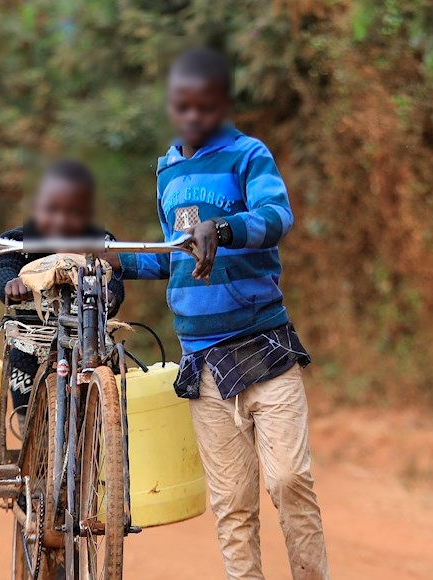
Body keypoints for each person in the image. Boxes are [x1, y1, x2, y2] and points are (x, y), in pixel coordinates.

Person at [114, 48, 330, 579]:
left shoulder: (247, 155)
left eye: (205, 107)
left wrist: (226, 228)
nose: (193, 117)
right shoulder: (167, 170)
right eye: (183, 107)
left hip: (262, 348)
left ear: (223, 104)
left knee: (287, 481)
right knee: (232, 505)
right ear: (171, 106)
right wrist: (113, 257)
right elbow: (172, 258)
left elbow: (277, 216)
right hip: (203, 363)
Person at [0, 159, 124, 430]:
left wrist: (111, 295)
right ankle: (33, 449)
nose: (61, 220)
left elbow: (112, 274)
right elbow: (3, 265)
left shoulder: (98, 241)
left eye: (73, 212)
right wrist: (10, 284)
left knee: (95, 407)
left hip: (86, 341)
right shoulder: (19, 240)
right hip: (31, 339)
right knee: (28, 416)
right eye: (52, 210)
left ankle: (91, 453)